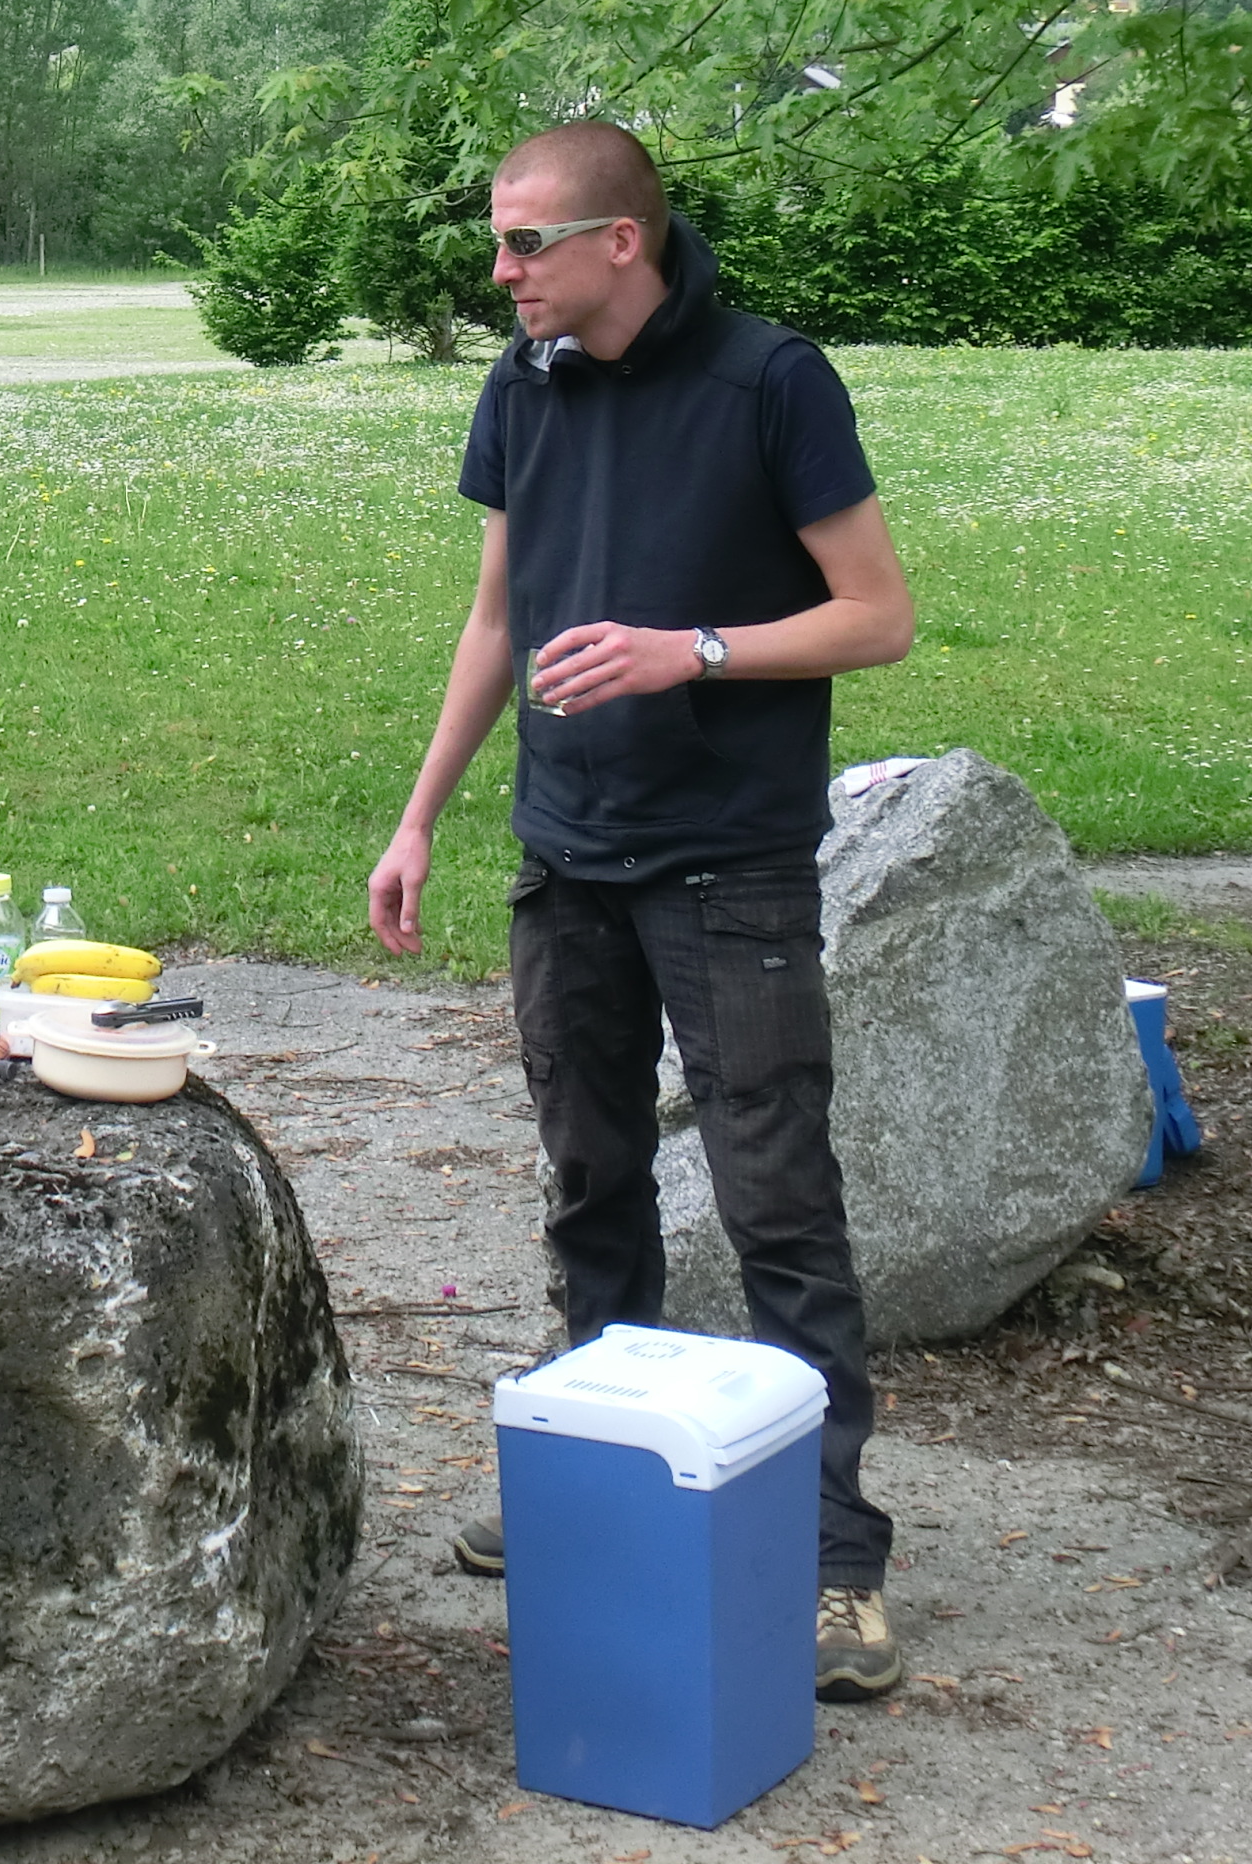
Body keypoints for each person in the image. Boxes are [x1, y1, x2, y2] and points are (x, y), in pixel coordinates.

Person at [364, 121, 918, 1704]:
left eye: (526, 242)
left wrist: (697, 652)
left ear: (622, 243)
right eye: (497, 240)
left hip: (728, 862)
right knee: (591, 1186)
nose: (501, 272)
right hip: (569, 857)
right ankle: (601, 1483)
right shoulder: (521, 388)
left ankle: (833, 1562)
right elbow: (497, 618)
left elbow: (879, 616)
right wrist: (420, 816)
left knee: (775, 1202)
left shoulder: (770, 383)